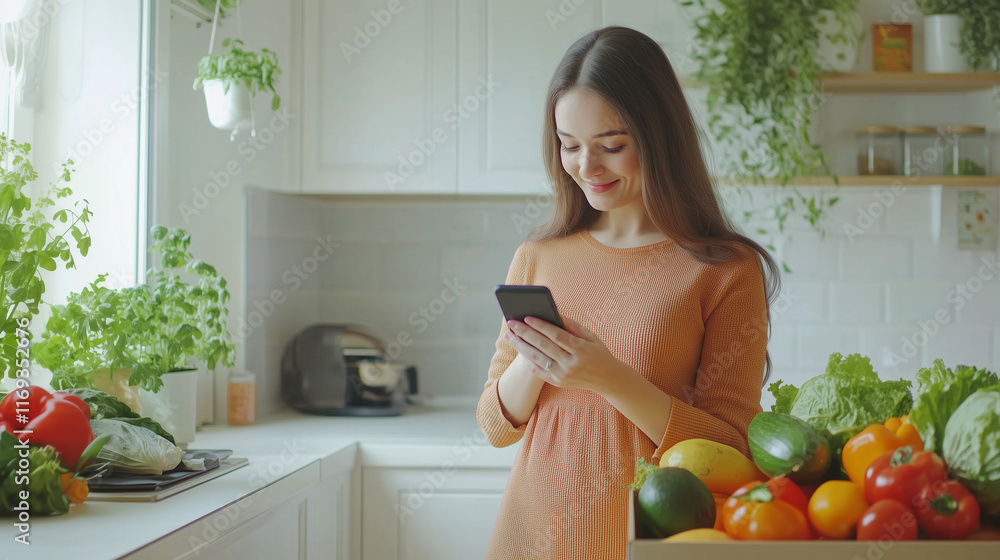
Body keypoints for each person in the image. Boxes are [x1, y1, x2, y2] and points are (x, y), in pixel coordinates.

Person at [475, 26, 781, 559]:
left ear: (659, 136)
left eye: (611, 147)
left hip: (648, 542)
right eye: (569, 146)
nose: (586, 168)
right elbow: (494, 425)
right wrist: (538, 360)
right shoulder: (541, 253)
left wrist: (607, 377)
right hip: (530, 536)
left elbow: (732, 446)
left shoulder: (724, 268)